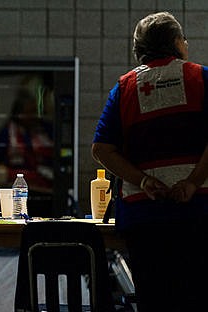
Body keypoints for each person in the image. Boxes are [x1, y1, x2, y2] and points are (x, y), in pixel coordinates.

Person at [92, 12, 208, 312]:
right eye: (184, 40)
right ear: (175, 43)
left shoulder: (125, 87)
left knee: (154, 301)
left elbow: (102, 148)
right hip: (198, 213)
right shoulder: (201, 78)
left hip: (144, 218)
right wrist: (193, 181)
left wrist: (144, 180)